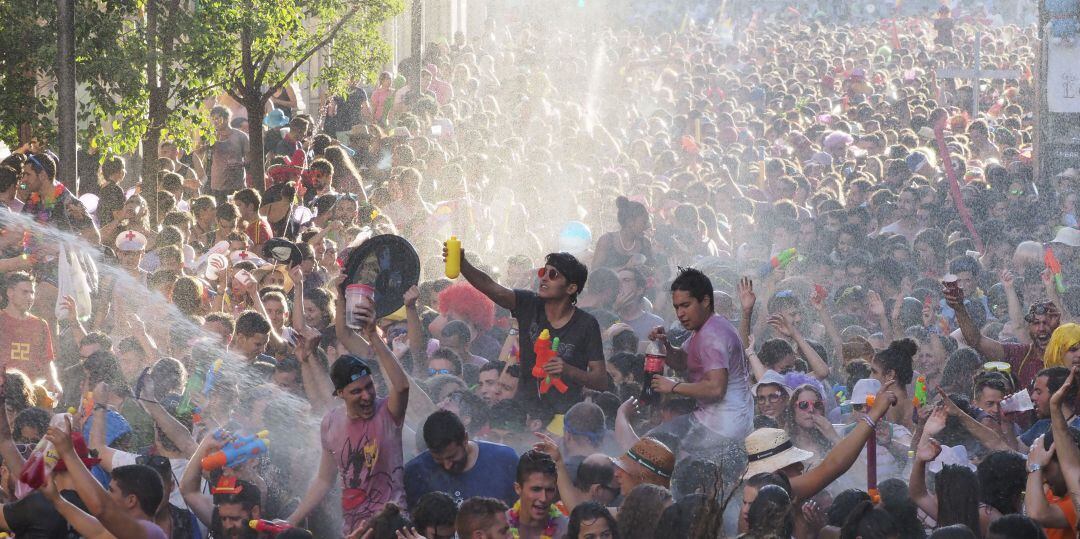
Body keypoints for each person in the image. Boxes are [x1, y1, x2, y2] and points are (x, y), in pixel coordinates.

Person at [287, 288, 409, 534]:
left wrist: (373, 336)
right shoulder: (331, 423)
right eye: (356, 392)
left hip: (392, 529)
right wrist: (291, 521)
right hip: (354, 530)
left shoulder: (388, 412)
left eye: (369, 387)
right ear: (340, 393)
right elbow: (324, 479)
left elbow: (402, 385)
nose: (367, 396)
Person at [445, 244, 608, 415]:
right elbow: (492, 288)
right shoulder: (528, 303)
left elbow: (600, 381)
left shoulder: (586, 324)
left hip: (562, 416)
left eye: (553, 275)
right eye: (542, 272)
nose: (544, 278)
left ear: (571, 288)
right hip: (523, 410)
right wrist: (463, 264)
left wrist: (568, 370)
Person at [647, 267, 752, 441]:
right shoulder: (705, 328)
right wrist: (664, 344)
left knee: (652, 447)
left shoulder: (713, 335)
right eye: (677, 307)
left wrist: (672, 386)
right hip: (716, 420)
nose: (680, 314)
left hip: (722, 427)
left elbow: (716, 389)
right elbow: (682, 361)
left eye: (686, 306)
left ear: (705, 301)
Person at [946, 280, 1060, 389]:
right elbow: (976, 341)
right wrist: (959, 308)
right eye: (1036, 323)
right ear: (1028, 327)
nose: (1041, 329)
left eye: (1047, 323)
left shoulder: (1068, 355)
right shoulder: (1018, 354)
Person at [404, 410, 518, 507]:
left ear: (465, 439)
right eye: (438, 459)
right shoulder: (417, 471)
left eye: (452, 457)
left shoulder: (504, 459)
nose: (447, 465)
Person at [0, 271, 59, 392]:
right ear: (10, 293)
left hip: (31, 391)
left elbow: (47, 360)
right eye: (24, 292)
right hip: (3, 390)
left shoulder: (40, 324)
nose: (30, 297)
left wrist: (54, 381)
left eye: (32, 293)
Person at [507, 450, 568, 539]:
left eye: (550, 490)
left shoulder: (566, 531)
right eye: (536, 489)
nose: (543, 498)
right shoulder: (500, 526)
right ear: (518, 488)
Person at [204, 105, 249, 202]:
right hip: (217, 184)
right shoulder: (211, 137)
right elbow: (198, 151)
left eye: (217, 118)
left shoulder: (241, 136)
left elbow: (250, 160)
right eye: (213, 119)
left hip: (236, 184)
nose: (215, 122)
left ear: (226, 118)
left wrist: (240, 164)